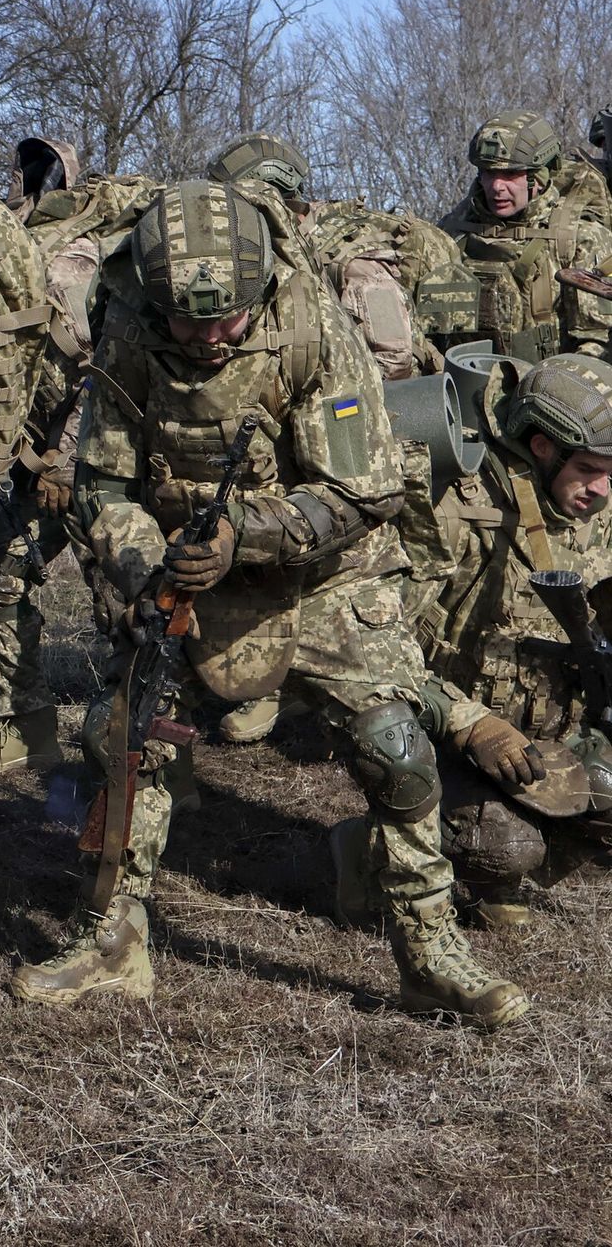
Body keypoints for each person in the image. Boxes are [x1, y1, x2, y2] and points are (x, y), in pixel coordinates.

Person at [10, 179, 530, 1032]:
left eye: (228, 322)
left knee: (395, 747)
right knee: (124, 735)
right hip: (185, 567)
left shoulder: (310, 328)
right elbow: (104, 483)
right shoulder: (130, 325)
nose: (211, 341)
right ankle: (111, 937)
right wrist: (154, 563)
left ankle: (430, 955)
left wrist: (245, 535)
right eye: (190, 322)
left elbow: (361, 490)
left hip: (326, 572)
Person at [204, 132, 480, 743]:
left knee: (400, 575)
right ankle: (277, 678)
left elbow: (394, 367)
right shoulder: (243, 259)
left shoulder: (350, 262)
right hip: (296, 436)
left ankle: (408, 695)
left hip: (372, 438)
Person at [332, 353, 612, 928]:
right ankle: (353, 858)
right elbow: (378, 653)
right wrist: (471, 722)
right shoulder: (454, 509)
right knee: (506, 843)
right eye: (589, 468)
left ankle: (488, 877)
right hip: (453, 733)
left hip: (553, 729)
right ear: (542, 447)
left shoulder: (595, 507)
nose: (604, 490)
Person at [0, 137, 94, 771]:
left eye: (31, 168)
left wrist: (67, 457)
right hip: (26, 463)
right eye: (18, 166)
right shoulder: (5, 247)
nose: (16, 177)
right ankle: (31, 728)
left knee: (132, 602)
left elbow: (97, 373)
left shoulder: (74, 259)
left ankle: (152, 759)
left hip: (96, 462)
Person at [440, 110, 612, 364]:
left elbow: (597, 344)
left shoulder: (580, 237)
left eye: (510, 174)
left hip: (551, 387)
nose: (497, 187)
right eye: (488, 172)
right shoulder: (451, 232)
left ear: (539, 177)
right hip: (460, 384)